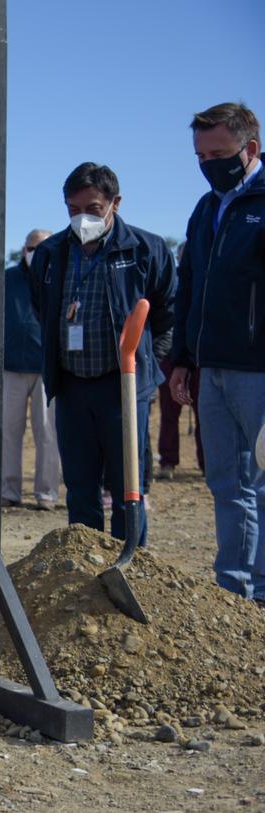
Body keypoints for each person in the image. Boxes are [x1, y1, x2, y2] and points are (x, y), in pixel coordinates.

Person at [29, 163, 175, 544]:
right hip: (72, 385)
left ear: (115, 203)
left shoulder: (145, 249)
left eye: (92, 209)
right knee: (80, 486)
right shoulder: (51, 253)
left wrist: (148, 361)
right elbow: (41, 308)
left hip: (123, 387)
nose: (82, 218)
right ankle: (85, 566)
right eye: (72, 209)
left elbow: (168, 312)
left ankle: (130, 567)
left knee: (128, 486)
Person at [170, 102, 264, 606]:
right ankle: (233, 591)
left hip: (259, 372)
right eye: (201, 156)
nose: (209, 165)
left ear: (249, 149)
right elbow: (189, 287)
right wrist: (183, 358)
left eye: (219, 154)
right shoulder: (206, 209)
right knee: (227, 483)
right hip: (212, 369)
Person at [2, 228, 59, 511]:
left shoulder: (58, 276)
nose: (34, 252)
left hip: (46, 368)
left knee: (47, 433)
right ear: (23, 249)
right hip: (10, 367)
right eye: (31, 246)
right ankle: (8, 491)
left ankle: (47, 493)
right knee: (8, 431)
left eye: (41, 247)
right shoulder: (7, 279)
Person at [156, 244, 203, 480]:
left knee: (204, 414)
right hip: (170, 358)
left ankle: (206, 463)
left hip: (201, 360)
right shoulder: (169, 283)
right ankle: (167, 462)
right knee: (168, 413)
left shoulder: (206, 281)